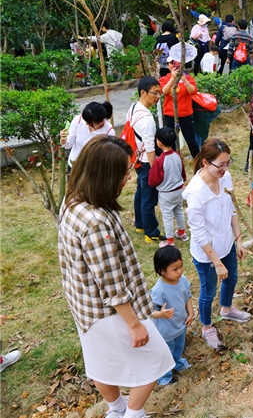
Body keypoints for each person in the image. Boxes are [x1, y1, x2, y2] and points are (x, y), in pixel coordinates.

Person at [59, 135, 174, 418]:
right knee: (157, 359)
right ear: (104, 176)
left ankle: (117, 409)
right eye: (124, 172)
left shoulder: (74, 199)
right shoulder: (96, 222)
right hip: (108, 310)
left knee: (100, 362)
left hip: (83, 303)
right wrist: (135, 324)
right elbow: (111, 283)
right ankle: (132, 415)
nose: (129, 177)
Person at [183, 138, 250, 351]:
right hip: (206, 253)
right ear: (205, 163)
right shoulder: (195, 193)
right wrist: (216, 262)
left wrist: (238, 239)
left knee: (232, 278)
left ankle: (227, 309)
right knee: (208, 290)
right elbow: (199, 234)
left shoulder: (225, 178)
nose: (225, 169)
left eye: (227, 163)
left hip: (226, 242)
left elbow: (231, 209)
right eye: (220, 165)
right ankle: (207, 327)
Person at [150, 246, 193, 386]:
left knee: (178, 347)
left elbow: (187, 296)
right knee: (164, 354)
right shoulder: (159, 290)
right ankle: (164, 377)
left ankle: (178, 363)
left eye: (181, 266)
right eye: (175, 269)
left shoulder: (183, 280)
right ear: (162, 271)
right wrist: (161, 314)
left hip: (180, 325)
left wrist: (190, 313)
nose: (180, 271)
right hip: (166, 331)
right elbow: (148, 311)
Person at [131, 76, 165, 243]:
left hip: (137, 158)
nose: (158, 96)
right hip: (146, 162)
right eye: (155, 93)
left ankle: (139, 224)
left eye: (160, 93)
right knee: (149, 198)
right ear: (143, 92)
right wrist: (154, 169)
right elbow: (150, 147)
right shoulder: (147, 119)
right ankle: (151, 232)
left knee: (140, 192)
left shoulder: (134, 108)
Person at [148, 127, 188, 248]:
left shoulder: (159, 161)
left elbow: (153, 180)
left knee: (167, 216)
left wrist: (152, 185)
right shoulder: (177, 156)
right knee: (179, 210)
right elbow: (183, 173)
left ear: (159, 142)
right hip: (179, 189)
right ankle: (182, 232)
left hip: (166, 193)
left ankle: (169, 240)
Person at [159, 58, 201, 158]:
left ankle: (198, 161)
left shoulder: (188, 77)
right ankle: (173, 160)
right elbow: (164, 91)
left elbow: (193, 91)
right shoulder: (165, 79)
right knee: (170, 140)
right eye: (171, 63)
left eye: (176, 63)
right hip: (170, 114)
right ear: (168, 65)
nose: (174, 65)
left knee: (191, 140)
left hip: (185, 114)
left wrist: (185, 80)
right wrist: (172, 79)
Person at [60, 101, 115, 169]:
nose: (85, 124)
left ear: (100, 122)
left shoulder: (109, 132)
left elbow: (106, 156)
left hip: (93, 170)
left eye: (89, 123)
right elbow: (67, 145)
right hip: (74, 165)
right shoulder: (78, 120)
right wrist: (63, 140)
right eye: (85, 120)